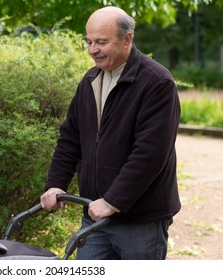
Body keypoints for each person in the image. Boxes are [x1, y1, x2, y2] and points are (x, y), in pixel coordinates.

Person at [40, 6, 181, 260]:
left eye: (102, 42)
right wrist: (56, 184)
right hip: (94, 216)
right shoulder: (90, 80)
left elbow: (150, 154)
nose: (93, 49)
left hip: (140, 222)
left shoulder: (157, 83)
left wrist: (112, 201)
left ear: (127, 39)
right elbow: (70, 139)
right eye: (90, 42)